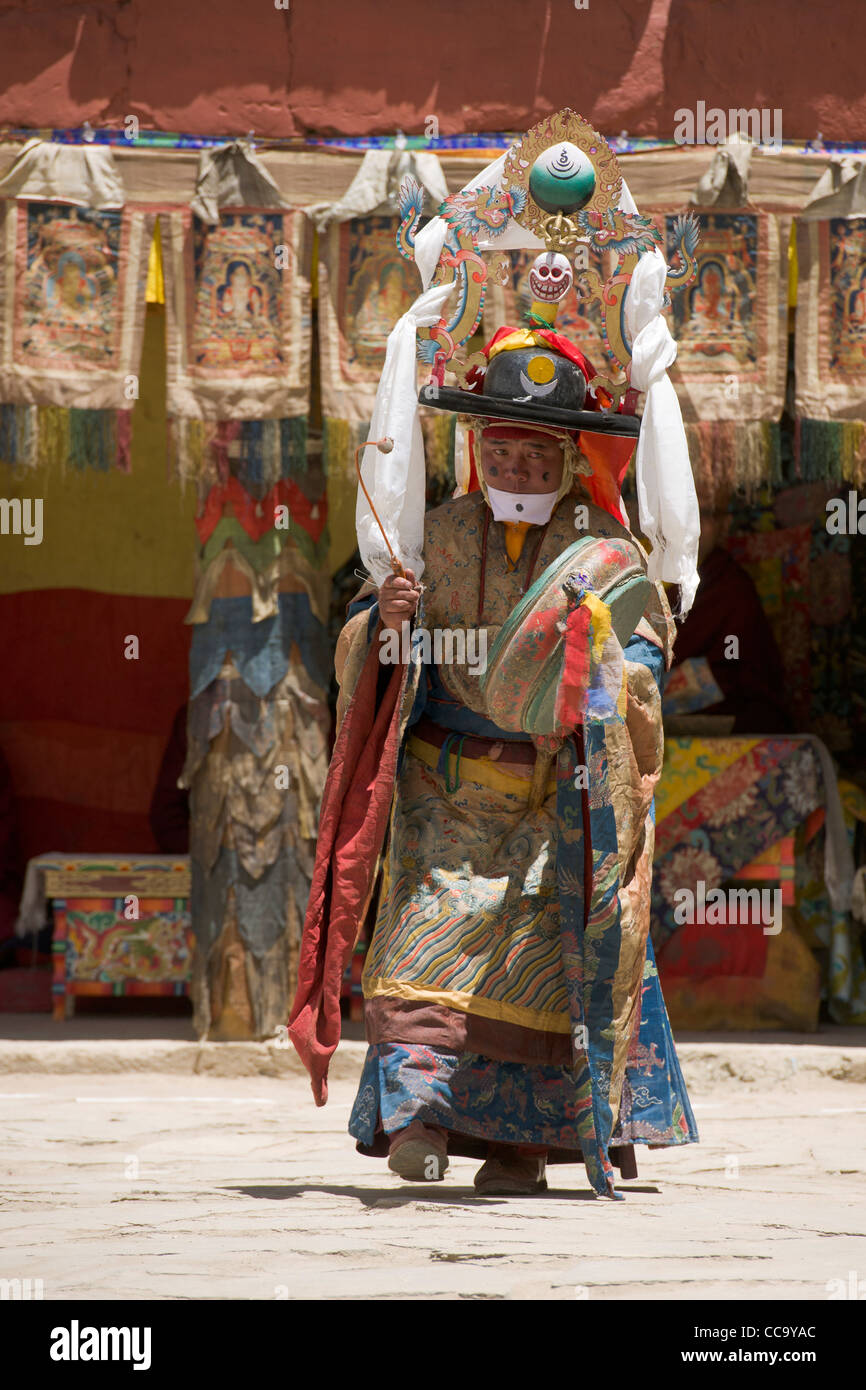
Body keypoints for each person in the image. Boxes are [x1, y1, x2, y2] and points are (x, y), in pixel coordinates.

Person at [290, 328, 698, 1198]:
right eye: (498, 450)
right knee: (415, 954)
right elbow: (367, 658)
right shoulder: (433, 538)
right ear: (477, 452)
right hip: (448, 801)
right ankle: (421, 1121)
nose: (514, 468)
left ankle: (527, 1150)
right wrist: (390, 621)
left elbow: (649, 655)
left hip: (559, 796)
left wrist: (614, 670)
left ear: (567, 458)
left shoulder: (609, 553)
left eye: (533, 453)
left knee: (545, 976)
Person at [670, 503, 792, 734]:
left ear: (723, 526)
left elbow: (736, 668)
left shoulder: (731, 586)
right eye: (686, 514)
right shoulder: (659, 574)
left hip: (723, 706)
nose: (692, 526)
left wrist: (661, 690)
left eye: (704, 515)